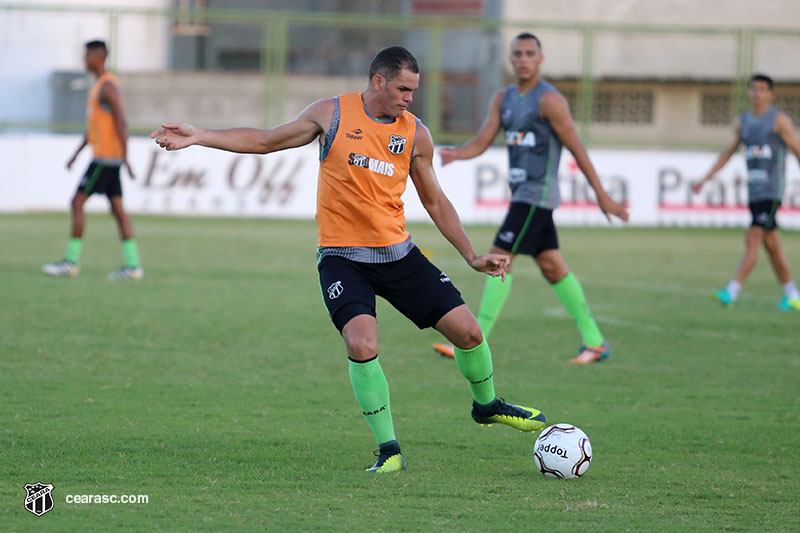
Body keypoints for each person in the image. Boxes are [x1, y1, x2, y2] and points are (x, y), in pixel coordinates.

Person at [151, 46, 547, 473]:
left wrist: (471, 255)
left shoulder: (415, 134)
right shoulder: (331, 115)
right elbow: (266, 141)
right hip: (343, 259)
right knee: (362, 343)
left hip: (399, 256)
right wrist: (199, 136)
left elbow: (434, 200)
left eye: (414, 90)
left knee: (469, 333)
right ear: (378, 81)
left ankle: (486, 406)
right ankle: (389, 449)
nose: (409, 98)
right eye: (402, 89)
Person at [432, 33, 629, 365]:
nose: (522, 59)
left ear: (541, 58)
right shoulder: (503, 98)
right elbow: (483, 140)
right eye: (517, 54)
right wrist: (458, 154)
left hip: (536, 195)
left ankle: (472, 340)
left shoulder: (549, 101)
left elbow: (577, 149)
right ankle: (595, 342)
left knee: (498, 258)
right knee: (552, 267)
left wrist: (602, 196)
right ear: (511, 59)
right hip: (523, 195)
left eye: (529, 53)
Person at [692, 73, 800, 311]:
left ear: (770, 94)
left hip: (772, 192)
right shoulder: (744, 122)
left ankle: (731, 291)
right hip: (755, 192)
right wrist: (705, 179)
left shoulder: (778, 120)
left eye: (762, 89)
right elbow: (728, 153)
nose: (757, 93)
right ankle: (793, 294)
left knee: (753, 237)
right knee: (772, 246)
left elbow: (796, 148)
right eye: (753, 89)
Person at [43, 40, 142, 280]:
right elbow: (95, 129)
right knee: (118, 210)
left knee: (77, 203)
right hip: (106, 158)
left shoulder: (108, 87)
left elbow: (121, 122)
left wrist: (126, 157)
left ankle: (71, 261)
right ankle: (133, 266)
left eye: (87, 55)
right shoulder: (97, 87)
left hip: (105, 159)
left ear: (99, 57)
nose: (83, 60)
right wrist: (76, 154)